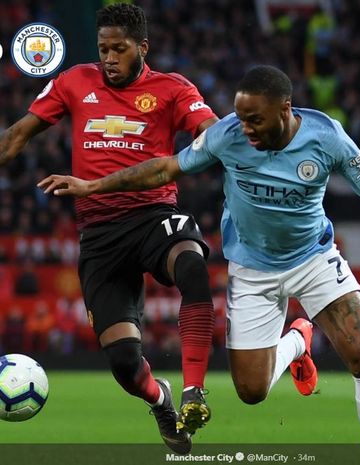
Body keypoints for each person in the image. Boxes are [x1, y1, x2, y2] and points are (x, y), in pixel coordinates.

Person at [38, 64, 360, 465]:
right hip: (251, 269)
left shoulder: (326, 136)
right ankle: (299, 340)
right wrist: (94, 185)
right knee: (251, 391)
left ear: (285, 109)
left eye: (255, 120)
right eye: (241, 118)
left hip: (313, 258)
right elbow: (167, 167)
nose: (246, 129)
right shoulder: (227, 135)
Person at [0, 3, 219, 454]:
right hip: (99, 234)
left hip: (154, 215)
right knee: (123, 362)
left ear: (143, 47)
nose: (109, 58)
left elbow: (216, 136)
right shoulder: (74, 82)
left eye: (119, 49)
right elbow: (19, 134)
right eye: (103, 49)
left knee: (193, 265)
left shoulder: (172, 90)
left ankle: (195, 390)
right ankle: (161, 399)